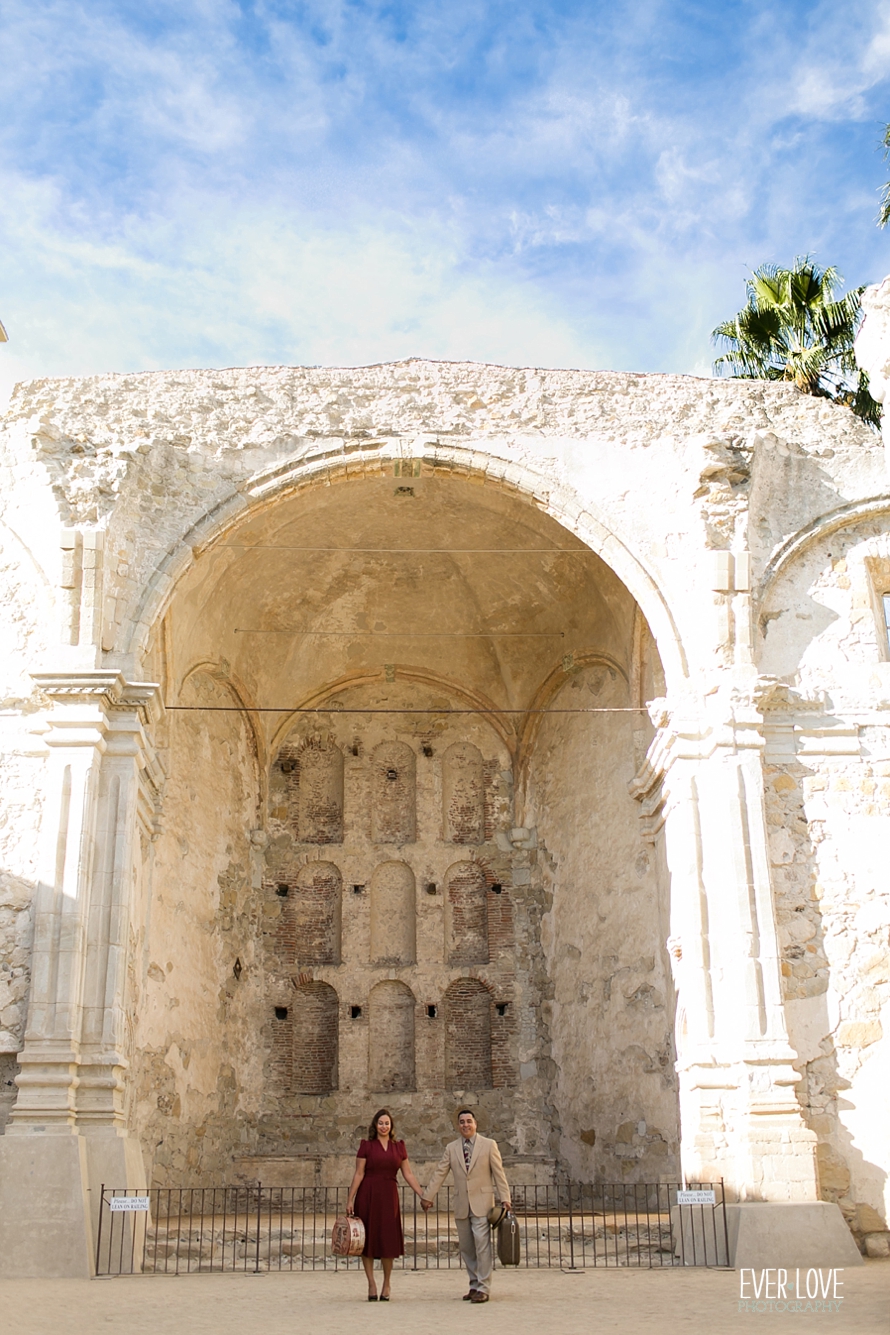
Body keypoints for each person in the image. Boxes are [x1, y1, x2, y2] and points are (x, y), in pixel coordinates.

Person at [421, 1109, 511, 1304]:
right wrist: (428, 1196)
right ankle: (473, 1284)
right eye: (462, 1122)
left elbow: (498, 1173)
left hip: (482, 1204)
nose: (465, 1125)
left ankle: (484, 1287)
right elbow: (440, 1173)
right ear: (458, 1125)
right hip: (462, 1204)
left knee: (482, 1244)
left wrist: (505, 1198)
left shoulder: (489, 1145)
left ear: (475, 1123)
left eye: (469, 1121)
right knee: (467, 1248)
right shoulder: (451, 1148)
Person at [346, 1108, 426, 1301]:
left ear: (391, 1126)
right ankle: (371, 1283)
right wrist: (350, 1199)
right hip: (368, 1194)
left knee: (387, 1240)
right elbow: (359, 1173)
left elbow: (408, 1174)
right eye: (380, 1123)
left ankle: (387, 1283)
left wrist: (423, 1194)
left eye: (387, 1123)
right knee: (368, 1239)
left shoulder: (399, 1147)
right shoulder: (366, 1146)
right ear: (375, 1125)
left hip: (389, 1196)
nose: (384, 1126)